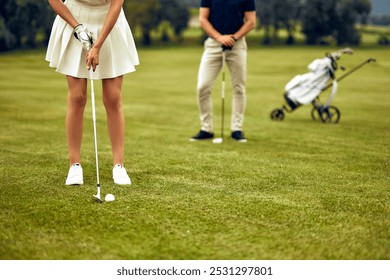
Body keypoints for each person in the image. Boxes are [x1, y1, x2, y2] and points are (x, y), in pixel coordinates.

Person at [46, 0, 139, 185]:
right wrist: (77, 28)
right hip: (73, 19)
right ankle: (74, 166)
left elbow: (116, 4)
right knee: (77, 97)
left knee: (113, 97)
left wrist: (97, 46)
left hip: (109, 22)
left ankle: (119, 166)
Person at [190, 0, 256, 143]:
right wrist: (219, 37)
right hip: (213, 44)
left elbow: (251, 21)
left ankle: (236, 129)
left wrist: (234, 37)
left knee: (239, 87)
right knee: (203, 87)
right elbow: (203, 19)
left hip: (237, 44)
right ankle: (206, 129)